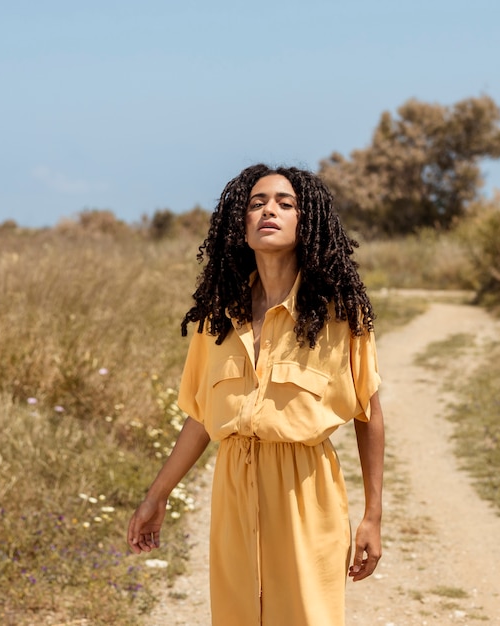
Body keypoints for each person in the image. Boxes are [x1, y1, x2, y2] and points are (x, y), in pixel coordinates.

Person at [127, 164, 385, 626]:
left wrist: (373, 516)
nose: (269, 210)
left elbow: (368, 413)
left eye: (286, 204)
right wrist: (157, 495)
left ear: (307, 222)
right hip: (233, 486)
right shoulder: (218, 318)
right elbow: (202, 418)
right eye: (256, 203)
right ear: (239, 225)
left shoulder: (340, 314)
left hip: (305, 489)